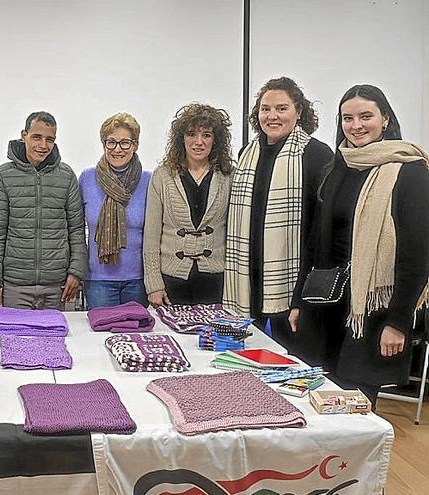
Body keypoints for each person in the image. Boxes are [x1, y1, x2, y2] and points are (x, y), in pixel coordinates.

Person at [290, 85, 429, 406]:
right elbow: (313, 243)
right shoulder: (338, 167)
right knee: (311, 400)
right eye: (347, 118)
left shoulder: (409, 173)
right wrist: (299, 300)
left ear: (386, 119)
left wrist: (398, 322)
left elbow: (417, 256)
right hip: (324, 303)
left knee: (352, 409)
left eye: (366, 116)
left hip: (373, 312)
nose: (356, 125)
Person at [223, 77, 334, 353]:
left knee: (292, 360)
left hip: (293, 281)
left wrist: (300, 295)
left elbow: (318, 230)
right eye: (265, 109)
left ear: (299, 111)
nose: (272, 116)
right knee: (247, 359)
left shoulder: (317, 155)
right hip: (248, 279)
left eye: (281, 108)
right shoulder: (247, 153)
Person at [0, 111, 88, 310]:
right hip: (15, 285)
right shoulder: (3, 176)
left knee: (56, 340)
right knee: (15, 340)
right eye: (37, 137)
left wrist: (76, 272)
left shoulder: (66, 176)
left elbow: (76, 230)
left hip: (57, 286)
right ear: (24, 136)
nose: (43, 145)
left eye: (50, 139)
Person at [144, 104, 234, 307]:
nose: (199, 142)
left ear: (216, 140)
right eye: (191, 134)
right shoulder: (162, 176)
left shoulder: (228, 176)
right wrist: (153, 285)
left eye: (207, 135)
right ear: (181, 138)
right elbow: (151, 235)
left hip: (216, 281)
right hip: (171, 280)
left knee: (209, 338)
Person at [78, 112, 152, 309]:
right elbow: (75, 232)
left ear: (135, 145)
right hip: (98, 280)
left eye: (125, 143)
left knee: (135, 338)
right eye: (111, 142)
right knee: (100, 338)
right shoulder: (87, 179)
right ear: (104, 144)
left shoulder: (149, 181)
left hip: (138, 280)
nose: (117, 149)